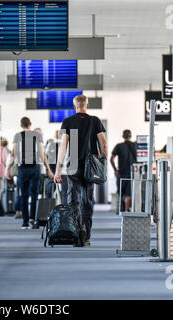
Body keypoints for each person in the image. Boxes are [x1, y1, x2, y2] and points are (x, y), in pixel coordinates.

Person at [54, 94, 108, 246]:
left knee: (73, 201)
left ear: (74, 106)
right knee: (87, 200)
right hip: (91, 166)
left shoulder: (68, 121)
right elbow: (103, 144)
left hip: (73, 165)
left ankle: (78, 231)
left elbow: (63, 146)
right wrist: (103, 164)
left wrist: (58, 169)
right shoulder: (95, 121)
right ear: (87, 106)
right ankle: (87, 236)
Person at [7, 117, 54, 229]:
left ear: (21, 125)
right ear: (30, 124)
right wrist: (48, 169)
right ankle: (33, 218)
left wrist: (8, 168)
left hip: (22, 168)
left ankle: (25, 222)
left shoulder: (17, 136)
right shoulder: (38, 135)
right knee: (34, 195)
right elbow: (43, 154)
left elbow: (13, 154)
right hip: (35, 168)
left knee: (23, 195)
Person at [110, 130, 136, 212]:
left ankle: (121, 209)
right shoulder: (135, 145)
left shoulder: (119, 146)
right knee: (129, 193)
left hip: (121, 173)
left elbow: (111, 159)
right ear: (130, 136)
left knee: (121, 192)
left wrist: (115, 170)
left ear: (123, 136)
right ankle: (127, 209)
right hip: (132, 173)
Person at [45, 130, 68, 204]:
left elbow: (46, 156)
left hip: (52, 170)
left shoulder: (50, 144)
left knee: (50, 190)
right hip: (64, 170)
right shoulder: (67, 144)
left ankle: (49, 207)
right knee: (65, 192)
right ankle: (65, 210)